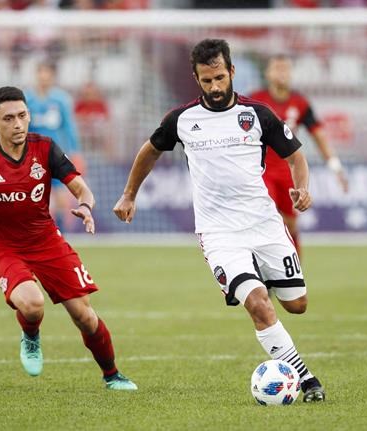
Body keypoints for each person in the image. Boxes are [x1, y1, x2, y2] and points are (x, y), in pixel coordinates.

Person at [113, 39, 325, 402]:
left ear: (232, 72)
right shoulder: (181, 119)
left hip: (264, 224)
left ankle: (255, 276)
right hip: (219, 233)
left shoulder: (257, 115)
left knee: (297, 304)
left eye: (220, 78)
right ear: (197, 79)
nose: (214, 87)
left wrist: (302, 188)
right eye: (207, 80)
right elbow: (150, 151)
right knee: (258, 304)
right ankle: (307, 380)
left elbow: (296, 157)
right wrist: (129, 194)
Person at [0, 86, 137, 390]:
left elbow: (81, 188)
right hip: (5, 248)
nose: (18, 124)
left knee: (84, 316)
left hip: (47, 241)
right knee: (32, 304)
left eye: (22, 115)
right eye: (9, 118)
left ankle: (112, 375)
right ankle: (30, 336)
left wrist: (84, 206)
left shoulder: (45, 148)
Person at [250, 55, 348, 255]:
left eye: (285, 68)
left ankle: (295, 269)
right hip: (262, 171)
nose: (281, 73)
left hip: (290, 171)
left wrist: (336, 167)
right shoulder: (254, 101)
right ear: (268, 73)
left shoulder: (300, 103)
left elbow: (319, 136)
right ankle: (263, 267)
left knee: (291, 225)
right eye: (277, 68)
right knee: (267, 217)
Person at [25, 61, 85, 232]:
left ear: (52, 76)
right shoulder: (27, 99)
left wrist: (75, 151)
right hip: (33, 155)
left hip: (56, 153)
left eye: (47, 74)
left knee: (60, 194)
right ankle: (35, 233)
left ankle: (60, 233)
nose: (43, 77)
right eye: (41, 73)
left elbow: (68, 127)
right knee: (33, 194)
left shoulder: (61, 99)